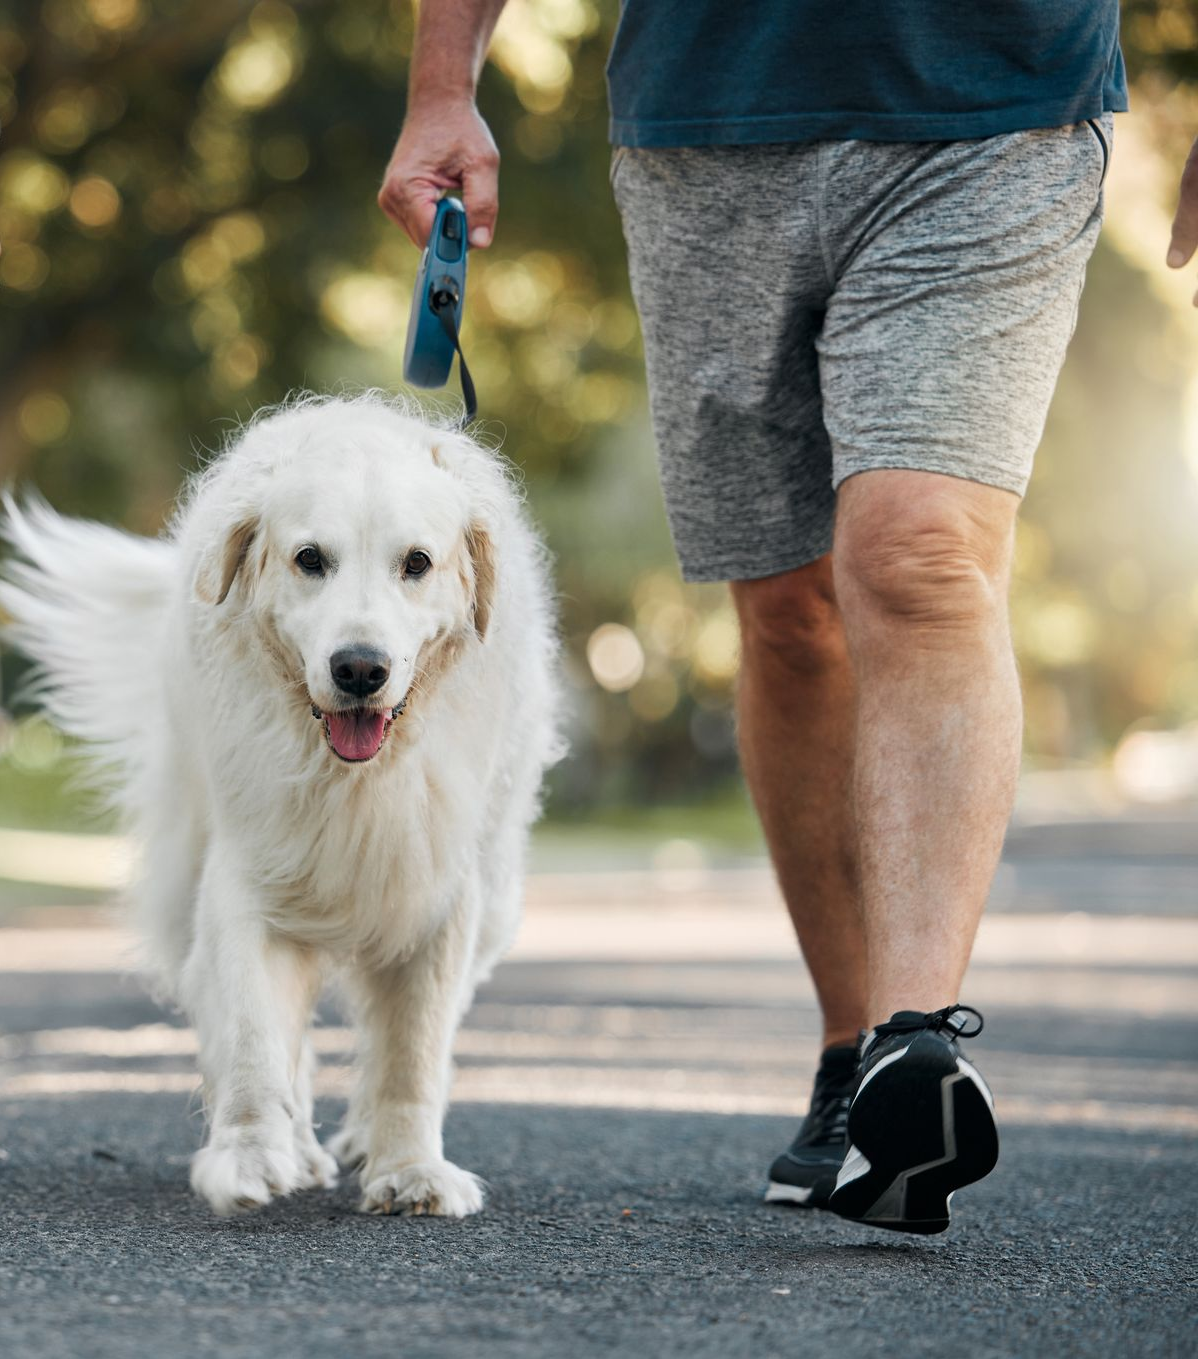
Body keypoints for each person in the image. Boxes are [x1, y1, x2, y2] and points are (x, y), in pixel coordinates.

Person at [379, 3, 1198, 1234]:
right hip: (705, 129)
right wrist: (444, 83)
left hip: (996, 113)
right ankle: (846, 1048)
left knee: (919, 553)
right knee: (786, 608)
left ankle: (910, 1049)